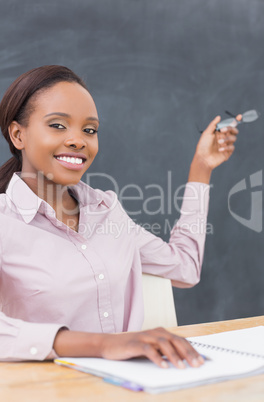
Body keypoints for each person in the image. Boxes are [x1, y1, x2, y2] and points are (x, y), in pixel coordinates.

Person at [0, 65, 240, 369]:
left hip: (127, 386)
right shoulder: (5, 223)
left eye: (89, 130)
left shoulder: (107, 211)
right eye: (58, 125)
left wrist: (201, 167)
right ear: (18, 134)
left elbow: (185, 267)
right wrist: (104, 345)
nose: (78, 140)